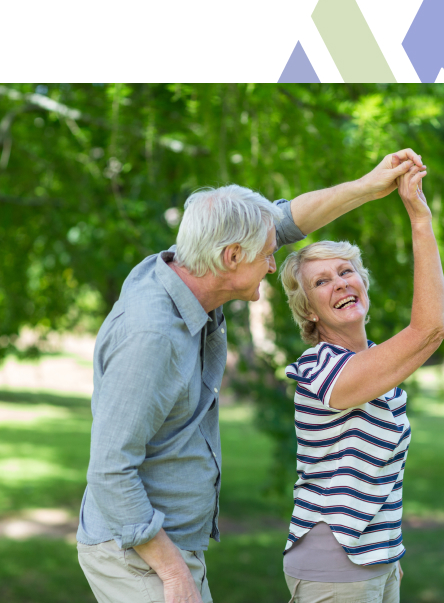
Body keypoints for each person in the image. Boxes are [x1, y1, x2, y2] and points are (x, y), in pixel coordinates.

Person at [76, 149, 425, 603]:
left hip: (169, 545)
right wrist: (174, 574)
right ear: (232, 256)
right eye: (265, 254)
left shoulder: (190, 270)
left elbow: (284, 221)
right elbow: (109, 471)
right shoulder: (153, 336)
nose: (272, 262)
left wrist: (367, 186)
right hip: (136, 551)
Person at [279, 163, 444, 603]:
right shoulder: (318, 368)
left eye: (345, 271)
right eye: (321, 281)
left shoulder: (374, 363)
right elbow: (430, 328)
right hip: (334, 569)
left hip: (378, 561)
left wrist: (388, 558)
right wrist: (419, 217)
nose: (339, 283)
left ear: (363, 284)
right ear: (310, 310)